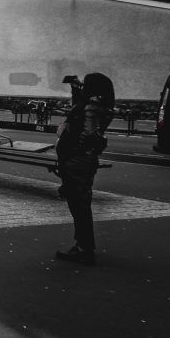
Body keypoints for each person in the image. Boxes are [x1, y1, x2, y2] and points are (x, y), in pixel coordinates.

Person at [54, 73, 115, 266]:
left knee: (79, 205)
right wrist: (75, 87)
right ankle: (82, 245)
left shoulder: (92, 107)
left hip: (78, 161)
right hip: (80, 160)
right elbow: (79, 107)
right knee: (80, 204)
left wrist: (72, 153)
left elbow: (89, 134)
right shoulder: (97, 104)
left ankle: (84, 249)